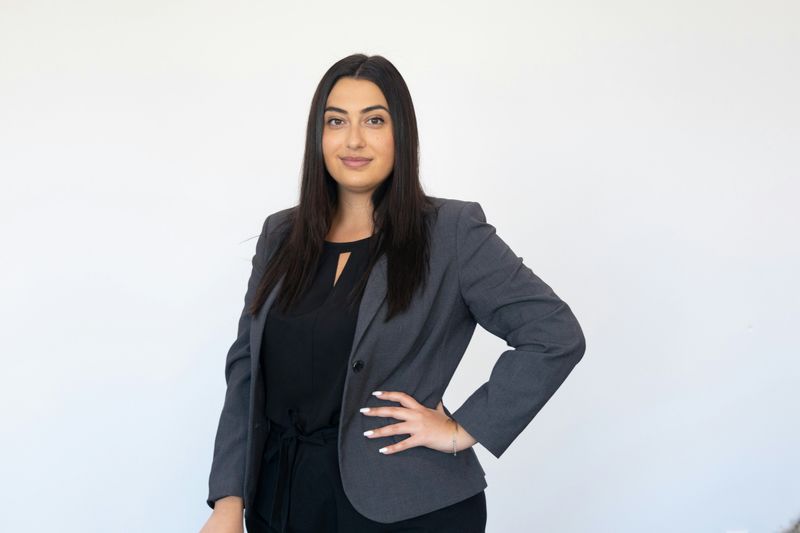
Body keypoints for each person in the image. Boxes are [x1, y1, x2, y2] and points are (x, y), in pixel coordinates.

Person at [199, 53, 587, 533]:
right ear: (318, 136)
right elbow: (246, 373)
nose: (354, 139)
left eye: (374, 120)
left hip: (409, 508)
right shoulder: (281, 235)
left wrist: (463, 429)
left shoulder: (452, 233)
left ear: (401, 133)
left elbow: (553, 334)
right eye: (336, 120)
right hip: (281, 498)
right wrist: (228, 499)